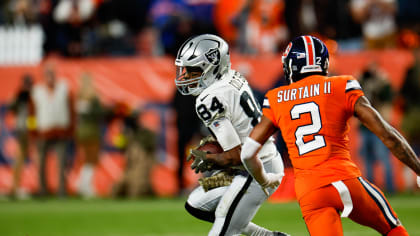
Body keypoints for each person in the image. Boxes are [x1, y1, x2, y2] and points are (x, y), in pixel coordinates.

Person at [240, 35, 420, 236]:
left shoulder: (275, 98)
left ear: (290, 66)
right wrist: (418, 169)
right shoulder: (342, 85)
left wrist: (263, 179)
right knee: (393, 229)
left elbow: (247, 153)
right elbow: (388, 135)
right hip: (345, 179)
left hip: (310, 191)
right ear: (323, 63)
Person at [175, 34, 289, 236]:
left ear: (212, 68)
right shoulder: (232, 76)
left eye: (194, 71)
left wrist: (210, 159)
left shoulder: (208, 98)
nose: (187, 77)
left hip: (255, 167)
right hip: (253, 161)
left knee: (223, 229)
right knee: (196, 203)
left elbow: (236, 155)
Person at [32, 62, 75, 197]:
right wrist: (33, 132)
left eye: (52, 74)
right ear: (44, 76)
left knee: (62, 163)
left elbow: (71, 110)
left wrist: (70, 129)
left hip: (61, 131)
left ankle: (61, 190)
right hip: (43, 131)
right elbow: (31, 113)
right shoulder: (37, 91)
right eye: (47, 74)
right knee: (41, 163)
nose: (50, 77)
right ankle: (42, 189)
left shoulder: (64, 88)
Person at [358, 62, 395, 193]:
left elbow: (388, 98)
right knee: (367, 160)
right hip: (365, 127)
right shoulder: (361, 82)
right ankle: (371, 189)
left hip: (378, 126)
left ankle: (390, 188)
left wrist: (382, 83)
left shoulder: (383, 83)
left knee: (383, 157)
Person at [75, 72, 103, 198]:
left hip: (81, 132)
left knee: (86, 159)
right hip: (91, 131)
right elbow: (99, 113)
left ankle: (83, 184)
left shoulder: (79, 97)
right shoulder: (92, 98)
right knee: (91, 159)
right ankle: (85, 185)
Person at [9, 74, 35, 199]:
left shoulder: (26, 95)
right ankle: (15, 187)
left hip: (26, 129)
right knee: (19, 157)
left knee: (22, 158)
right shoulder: (22, 95)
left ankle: (16, 187)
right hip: (23, 130)